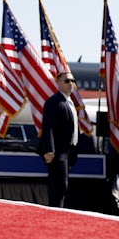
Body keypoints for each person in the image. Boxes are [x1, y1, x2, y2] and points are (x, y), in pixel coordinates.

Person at [37, 72, 80, 207]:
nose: (71, 84)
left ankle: (57, 211)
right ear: (58, 83)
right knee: (59, 186)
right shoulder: (54, 102)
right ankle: (55, 213)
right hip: (57, 153)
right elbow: (48, 126)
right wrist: (49, 150)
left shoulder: (70, 102)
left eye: (73, 80)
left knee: (62, 186)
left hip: (68, 152)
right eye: (67, 81)